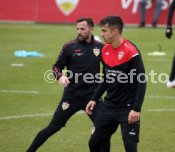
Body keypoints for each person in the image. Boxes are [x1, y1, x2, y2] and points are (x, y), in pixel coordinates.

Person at [27, 17, 111, 152]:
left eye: (82, 29)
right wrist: (60, 77)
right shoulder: (69, 46)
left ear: (91, 29)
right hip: (71, 97)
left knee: (103, 130)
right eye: (77, 29)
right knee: (53, 127)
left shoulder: (101, 47)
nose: (79, 32)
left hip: (92, 98)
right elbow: (56, 67)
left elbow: (109, 69)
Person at [86, 16, 147, 152]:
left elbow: (141, 81)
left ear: (115, 32)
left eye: (104, 31)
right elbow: (107, 78)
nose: (101, 34)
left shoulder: (131, 52)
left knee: (130, 147)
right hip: (108, 106)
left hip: (128, 108)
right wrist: (94, 98)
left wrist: (136, 108)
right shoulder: (105, 50)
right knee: (94, 143)